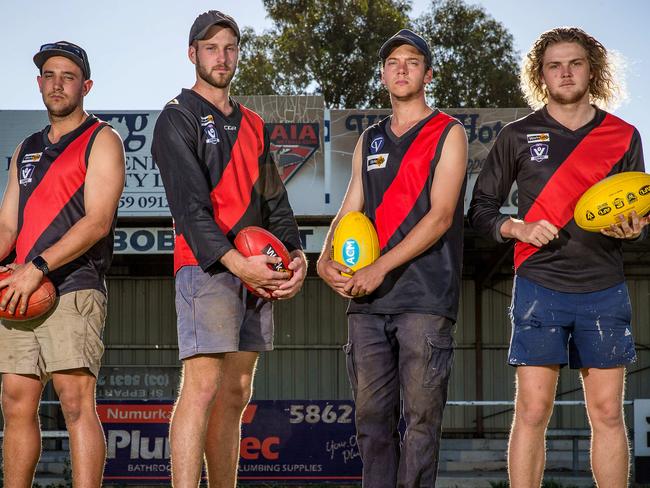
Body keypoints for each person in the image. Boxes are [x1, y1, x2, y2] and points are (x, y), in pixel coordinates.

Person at [469, 27, 646, 488]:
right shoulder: (517, 135)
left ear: (593, 69)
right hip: (538, 285)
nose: (565, 72)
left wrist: (633, 228)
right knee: (532, 410)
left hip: (603, 285)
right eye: (554, 65)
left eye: (575, 63)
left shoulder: (623, 135)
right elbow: (480, 210)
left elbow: (634, 210)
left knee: (607, 413)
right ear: (541, 74)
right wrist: (518, 226)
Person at [151, 10, 306, 487]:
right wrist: (241, 265)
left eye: (230, 47)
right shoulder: (177, 118)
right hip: (208, 267)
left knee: (237, 391)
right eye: (211, 47)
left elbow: (274, 202)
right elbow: (191, 211)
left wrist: (297, 257)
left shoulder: (254, 124)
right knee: (201, 387)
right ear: (192, 53)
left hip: (256, 270)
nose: (222, 56)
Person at [317, 29, 467, 487]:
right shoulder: (370, 139)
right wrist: (324, 260)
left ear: (428, 72)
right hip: (367, 304)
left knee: (421, 421)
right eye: (393, 62)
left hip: (424, 299)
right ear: (383, 74)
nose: (402, 68)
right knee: (371, 421)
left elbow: (441, 217)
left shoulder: (449, 132)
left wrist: (381, 265)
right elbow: (349, 210)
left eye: (413, 60)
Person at [0, 41, 125, 486]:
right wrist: (19, 268)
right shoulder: (25, 149)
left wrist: (37, 266)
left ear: (85, 85)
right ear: (38, 84)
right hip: (19, 290)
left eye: (68, 77)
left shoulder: (102, 139)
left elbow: (97, 221)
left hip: (73, 285)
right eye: (49, 76)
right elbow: (7, 229)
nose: (57, 84)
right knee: (16, 400)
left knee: (74, 402)